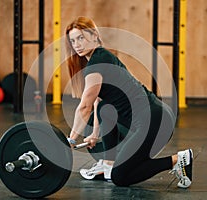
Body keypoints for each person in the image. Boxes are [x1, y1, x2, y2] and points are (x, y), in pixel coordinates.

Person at [65, 16, 193, 188]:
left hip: (154, 122)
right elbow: (97, 102)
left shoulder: (97, 63)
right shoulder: (101, 57)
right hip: (152, 117)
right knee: (105, 108)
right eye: (73, 41)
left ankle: (177, 160)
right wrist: (95, 134)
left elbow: (85, 106)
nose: (77, 44)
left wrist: (71, 140)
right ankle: (107, 163)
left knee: (121, 177)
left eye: (81, 38)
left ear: (94, 36)